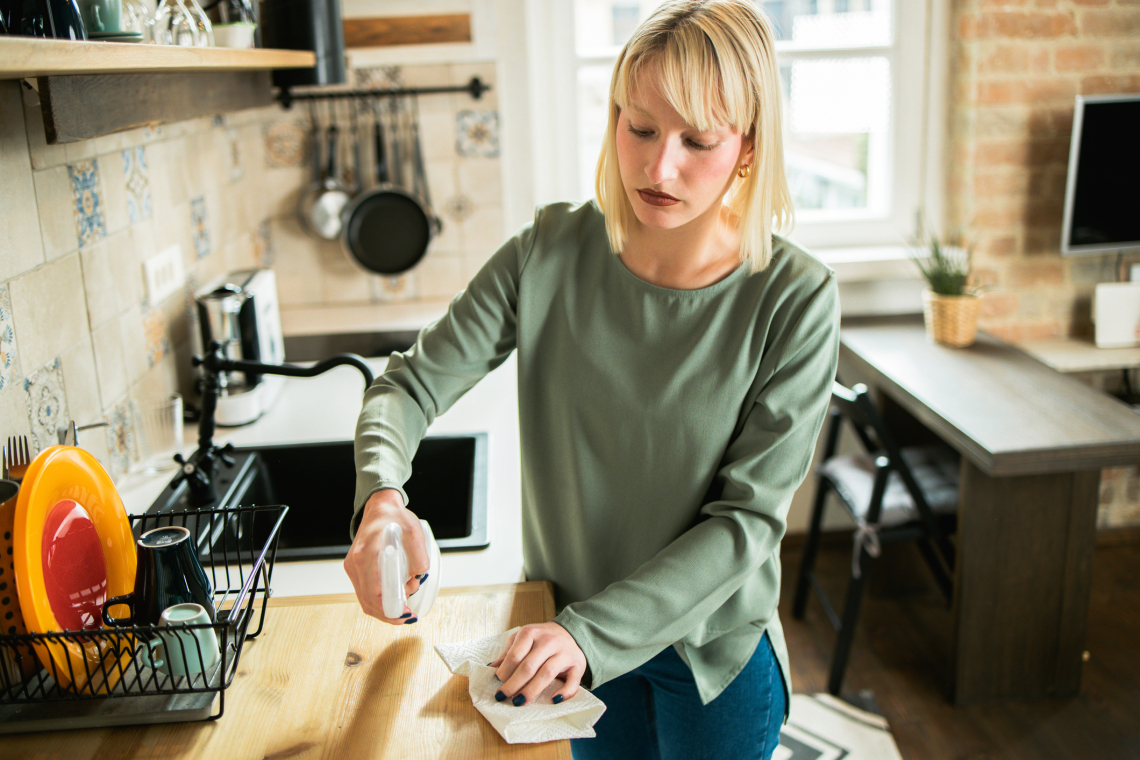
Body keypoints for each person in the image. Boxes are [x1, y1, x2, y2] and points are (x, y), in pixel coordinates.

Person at [344, 1, 839, 757]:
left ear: (747, 147)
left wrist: (585, 634)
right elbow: (408, 386)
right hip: (565, 649)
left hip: (706, 659)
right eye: (639, 126)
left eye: (697, 140)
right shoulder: (548, 251)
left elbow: (747, 523)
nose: (657, 165)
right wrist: (380, 497)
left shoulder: (794, 297)